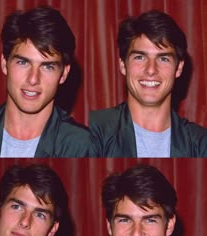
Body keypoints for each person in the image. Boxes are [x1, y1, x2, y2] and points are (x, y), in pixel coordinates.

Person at [0, 6, 89, 157]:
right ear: (4, 63)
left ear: (64, 74)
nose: (33, 79)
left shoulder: (83, 146)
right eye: (23, 62)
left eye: (48, 67)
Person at [89, 10, 207, 157]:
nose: (151, 70)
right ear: (122, 65)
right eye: (140, 57)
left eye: (163, 59)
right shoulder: (92, 130)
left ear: (179, 68)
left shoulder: (201, 143)